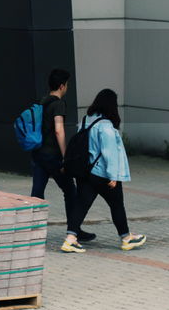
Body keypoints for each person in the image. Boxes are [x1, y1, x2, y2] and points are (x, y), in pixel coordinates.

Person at [61, 88, 147, 253]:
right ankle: (127, 238)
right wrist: (113, 176)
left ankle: (70, 239)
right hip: (103, 174)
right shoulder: (106, 126)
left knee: (81, 205)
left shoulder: (86, 120)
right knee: (116, 205)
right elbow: (109, 153)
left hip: (86, 172)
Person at [29, 69, 85, 238]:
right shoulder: (58, 104)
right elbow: (59, 130)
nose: (67, 87)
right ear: (62, 86)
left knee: (37, 192)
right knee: (70, 191)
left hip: (38, 153)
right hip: (52, 155)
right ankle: (74, 230)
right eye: (67, 84)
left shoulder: (41, 101)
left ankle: (33, 230)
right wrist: (65, 156)